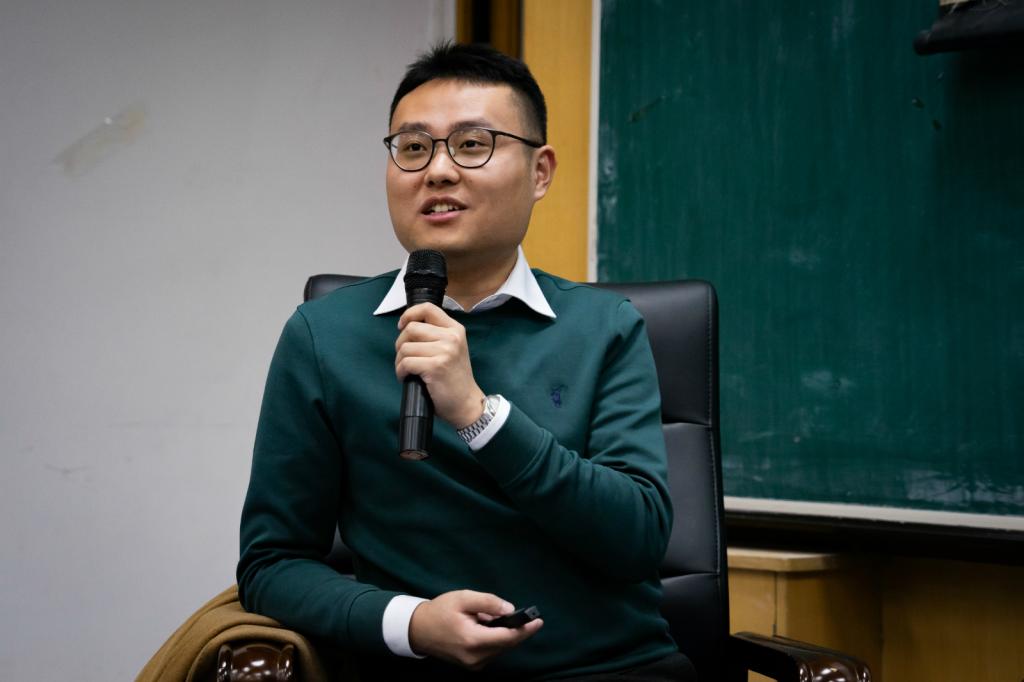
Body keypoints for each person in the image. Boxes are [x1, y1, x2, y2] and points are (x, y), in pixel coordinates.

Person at [237, 41, 696, 681]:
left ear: (540, 172)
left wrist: (480, 415)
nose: (438, 172)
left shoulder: (606, 327)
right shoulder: (324, 336)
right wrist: (411, 623)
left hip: (608, 670)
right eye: (413, 147)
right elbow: (272, 564)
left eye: (473, 144)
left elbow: (637, 540)